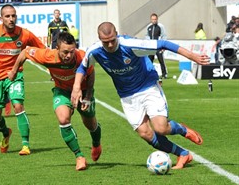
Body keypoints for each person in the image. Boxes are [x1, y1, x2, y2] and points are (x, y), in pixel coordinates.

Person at [71, 22, 210, 169]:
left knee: (161, 128)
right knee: (145, 134)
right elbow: (83, 67)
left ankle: (182, 129)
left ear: (117, 33)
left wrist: (193, 56)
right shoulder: (95, 51)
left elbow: (163, 43)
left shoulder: (131, 44)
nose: (110, 45)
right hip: (127, 96)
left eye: (113, 40)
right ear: (99, 39)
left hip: (148, 87)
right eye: (106, 42)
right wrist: (76, 87)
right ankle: (183, 154)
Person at [8, 32, 102, 171]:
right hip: (62, 91)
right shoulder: (47, 56)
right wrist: (14, 71)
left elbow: (91, 74)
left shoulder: (82, 56)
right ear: (57, 48)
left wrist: (88, 96)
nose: (69, 56)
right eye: (65, 52)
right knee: (63, 120)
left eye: (72, 51)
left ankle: (96, 143)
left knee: (90, 124)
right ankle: (79, 156)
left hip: (83, 92)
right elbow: (25, 52)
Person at [0, 4, 46, 155]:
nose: (11, 19)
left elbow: (43, 50)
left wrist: (52, 69)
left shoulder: (25, 34)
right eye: (7, 16)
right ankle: (6, 133)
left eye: (13, 16)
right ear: (1, 18)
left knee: (18, 105)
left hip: (14, 76)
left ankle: (25, 145)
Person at [145, 13, 168, 78]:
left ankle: (164, 74)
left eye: (155, 19)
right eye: (152, 19)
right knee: (149, 61)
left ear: (157, 19)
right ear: (150, 20)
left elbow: (164, 36)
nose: (154, 20)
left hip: (158, 46)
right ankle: (149, 75)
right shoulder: (149, 27)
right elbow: (146, 36)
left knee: (161, 60)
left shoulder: (160, 26)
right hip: (151, 47)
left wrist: (163, 47)